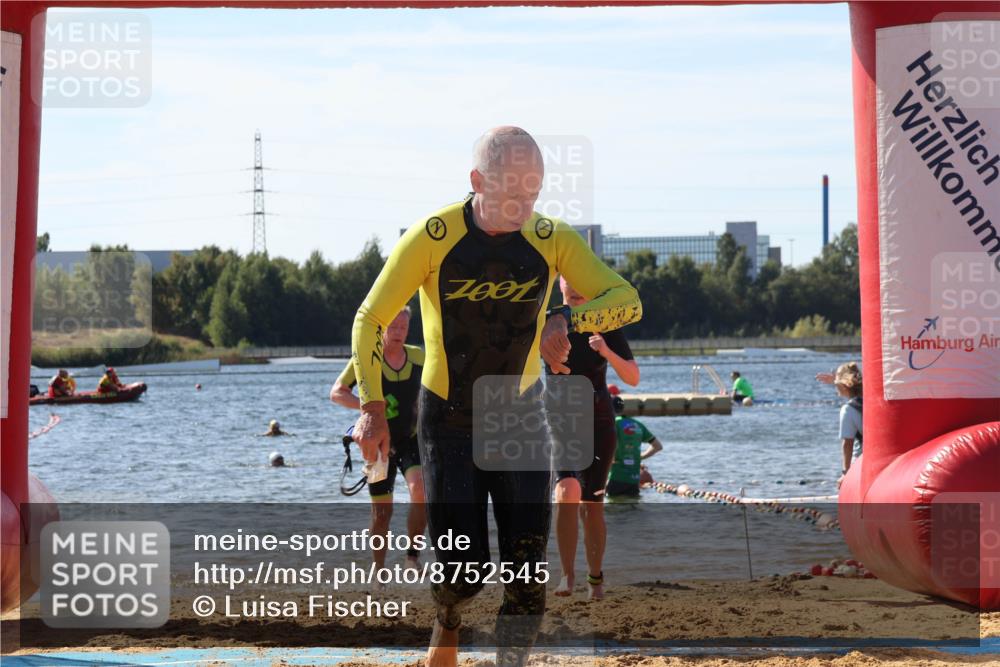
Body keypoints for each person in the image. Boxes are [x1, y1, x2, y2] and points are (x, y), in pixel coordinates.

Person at [349, 127, 642, 667]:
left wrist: (566, 317)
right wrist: (371, 407)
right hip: (449, 419)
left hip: (519, 415)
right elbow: (369, 318)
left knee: (527, 577)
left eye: (533, 195)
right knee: (463, 572)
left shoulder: (550, 237)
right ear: (477, 180)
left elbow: (626, 301)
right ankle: (448, 618)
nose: (522, 207)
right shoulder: (434, 237)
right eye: (511, 194)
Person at [549, 277, 639, 601]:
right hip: (560, 421)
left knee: (592, 506)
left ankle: (595, 577)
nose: (574, 285)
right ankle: (566, 574)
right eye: (567, 279)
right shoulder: (549, 320)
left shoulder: (606, 319)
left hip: (599, 422)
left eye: (580, 277)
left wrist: (605, 350)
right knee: (566, 491)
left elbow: (632, 376)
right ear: (559, 284)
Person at [331, 307, 426, 572]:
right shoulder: (367, 357)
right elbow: (337, 393)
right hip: (377, 444)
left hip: (411, 439)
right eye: (392, 327)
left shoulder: (420, 356)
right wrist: (369, 409)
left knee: (421, 490)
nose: (397, 333)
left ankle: (412, 557)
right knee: (382, 514)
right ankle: (379, 571)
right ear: (382, 328)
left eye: (403, 328)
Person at [604, 396, 663, 500]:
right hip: (634, 480)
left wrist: (603, 480)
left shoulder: (613, 424)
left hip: (616, 477)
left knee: (613, 513)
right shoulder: (638, 424)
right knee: (632, 512)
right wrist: (640, 457)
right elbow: (658, 446)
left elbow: (612, 448)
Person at [816, 362, 863, 486]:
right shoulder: (871, 398)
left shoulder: (849, 409)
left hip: (860, 463)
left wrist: (845, 473)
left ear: (843, 386)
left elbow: (847, 443)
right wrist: (836, 381)